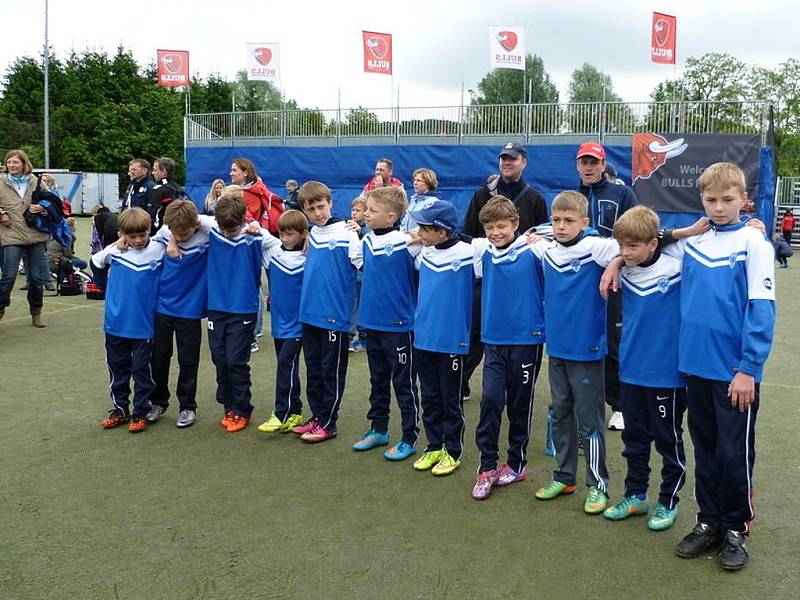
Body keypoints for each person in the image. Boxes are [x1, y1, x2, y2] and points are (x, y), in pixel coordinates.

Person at [672, 163, 775, 571]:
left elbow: (761, 310)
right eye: (711, 200)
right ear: (701, 200)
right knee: (707, 450)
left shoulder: (754, 244)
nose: (719, 207)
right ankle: (708, 521)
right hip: (694, 368)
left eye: (728, 200)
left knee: (734, 454)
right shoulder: (693, 243)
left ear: (743, 200)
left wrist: (749, 368)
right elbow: (641, 243)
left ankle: (736, 528)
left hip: (735, 374)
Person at [531, 191, 619, 514]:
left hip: (587, 349)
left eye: (569, 221)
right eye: (556, 220)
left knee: (589, 420)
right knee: (560, 413)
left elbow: (634, 244)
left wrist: (616, 264)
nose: (561, 226)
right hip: (556, 348)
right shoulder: (547, 250)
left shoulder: (598, 247)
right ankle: (564, 476)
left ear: (585, 222)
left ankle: (598, 485)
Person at [599, 206, 687, 531]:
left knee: (668, 439)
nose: (625, 252)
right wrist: (617, 260)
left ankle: (668, 501)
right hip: (630, 370)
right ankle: (635, 495)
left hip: (668, 375)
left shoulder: (679, 267)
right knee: (634, 439)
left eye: (632, 246)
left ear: (653, 243)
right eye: (621, 246)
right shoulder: (624, 267)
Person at [461, 143, 549, 403]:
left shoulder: (535, 198)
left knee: (520, 334)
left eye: (512, 159)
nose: (507, 163)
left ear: (524, 162)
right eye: (503, 159)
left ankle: (519, 387)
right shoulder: (482, 194)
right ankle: (462, 381)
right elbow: (470, 232)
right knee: (477, 329)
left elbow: (543, 234)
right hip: (486, 274)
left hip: (521, 280)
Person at [470, 197, 545, 500]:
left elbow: (578, 237)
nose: (496, 232)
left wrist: (544, 234)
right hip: (494, 340)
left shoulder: (535, 250)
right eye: (490, 226)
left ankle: (516, 463)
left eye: (502, 226)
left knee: (519, 404)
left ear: (515, 224)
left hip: (527, 339)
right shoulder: (481, 250)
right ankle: (486, 466)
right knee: (489, 400)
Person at [408, 199, 479, 477]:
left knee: (451, 399)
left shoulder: (468, 252)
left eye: (425, 228)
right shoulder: (422, 252)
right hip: (423, 338)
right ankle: (433, 445)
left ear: (443, 230)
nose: (419, 233)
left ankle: (452, 450)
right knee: (430, 397)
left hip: (452, 340)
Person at [351, 186, 422, 461]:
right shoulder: (365, 241)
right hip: (371, 324)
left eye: (372, 211)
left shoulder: (407, 242)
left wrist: (423, 239)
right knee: (377, 380)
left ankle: (409, 436)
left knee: (404, 384)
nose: (366, 214)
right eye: (366, 210)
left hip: (400, 327)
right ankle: (378, 428)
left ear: (392, 216)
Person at [292, 181, 362, 443]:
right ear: (305, 210)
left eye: (321, 206)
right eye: (312, 208)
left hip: (335, 316)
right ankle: (318, 416)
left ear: (331, 203)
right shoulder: (312, 233)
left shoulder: (347, 232)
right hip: (309, 314)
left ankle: (329, 422)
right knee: (314, 369)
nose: (318, 212)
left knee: (331, 370)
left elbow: (362, 263)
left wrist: (362, 228)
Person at [576, 141, 639, 432]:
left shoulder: (622, 193)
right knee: (584, 340)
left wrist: (617, 260)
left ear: (603, 165)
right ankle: (587, 402)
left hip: (615, 280)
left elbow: (637, 230)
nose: (588, 167)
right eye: (583, 162)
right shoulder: (572, 196)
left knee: (614, 343)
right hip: (579, 282)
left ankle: (621, 405)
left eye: (593, 162)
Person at [92, 208, 164, 433]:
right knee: (117, 367)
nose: (138, 240)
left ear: (149, 229)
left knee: (142, 369)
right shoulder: (114, 250)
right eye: (132, 236)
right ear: (122, 233)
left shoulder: (158, 248)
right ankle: (120, 409)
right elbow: (95, 264)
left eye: (142, 234)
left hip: (144, 325)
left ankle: (140, 410)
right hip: (115, 323)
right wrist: (107, 291)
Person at [146, 201, 210, 428]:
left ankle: (187, 406)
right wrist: (171, 238)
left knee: (188, 360)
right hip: (162, 308)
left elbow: (228, 224)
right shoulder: (165, 233)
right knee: (159, 357)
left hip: (190, 312)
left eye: (185, 233)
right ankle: (158, 402)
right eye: (176, 233)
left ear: (195, 224)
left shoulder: (206, 232)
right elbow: (144, 244)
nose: (180, 237)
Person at [206, 189, 265, 433]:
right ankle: (228, 407)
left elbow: (288, 240)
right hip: (215, 308)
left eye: (233, 229)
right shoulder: (210, 231)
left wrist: (255, 227)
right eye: (224, 229)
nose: (228, 234)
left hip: (243, 309)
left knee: (236, 361)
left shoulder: (255, 237)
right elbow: (177, 224)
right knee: (219, 359)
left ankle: (242, 409)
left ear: (243, 220)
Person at [255, 210, 309, 434]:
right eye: (282, 233)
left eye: (291, 234)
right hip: (278, 324)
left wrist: (311, 238)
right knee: (289, 367)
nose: (286, 239)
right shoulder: (273, 251)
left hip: (300, 324)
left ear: (303, 234)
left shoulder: (310, 255)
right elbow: (256, 231)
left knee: (286, 365)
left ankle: (281, 413)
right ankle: (295, 411)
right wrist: (253, 228)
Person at [0, 149, 51, 327]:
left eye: (15, 162)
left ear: (24, 163)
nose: (11, 165)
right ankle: (1, 307)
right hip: (11, 234)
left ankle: (36, 312)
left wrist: (42, 208)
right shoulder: (0, 181)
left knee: (36, 278)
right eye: (9, 162)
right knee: (9, 275)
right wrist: (2, 212)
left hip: (35, 234)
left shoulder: (35, 181)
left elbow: (51, 200)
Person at [349, 196, 371, 352]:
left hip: (363, 276)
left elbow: (364, 250)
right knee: (354, 306)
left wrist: (358, 233)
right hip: (353, 276)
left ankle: (361, 339)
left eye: (358, 210)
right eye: (353, 210)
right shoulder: (350, 227)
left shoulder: (367, 230)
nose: (354, 213)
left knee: (360, 308)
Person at [147, 157, 186, 233]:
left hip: (162, 232)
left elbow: (153, 215)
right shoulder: (179, 188)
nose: (152, 173)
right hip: (180, 230)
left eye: (155, 170)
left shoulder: (158, 189)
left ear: (164, 171)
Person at [89, 203, 119, 291]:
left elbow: (99, 231)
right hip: (118, 231)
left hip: (109, 232)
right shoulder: (113, 214)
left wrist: (103, 246)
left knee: (108, 252)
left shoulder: (98, 216)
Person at [400, 168, 440, 233]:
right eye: (414, 180)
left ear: (428, 183)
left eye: (419, 180)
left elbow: (427, 225)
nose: (415, 183)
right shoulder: (414, 199)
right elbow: (405, 221)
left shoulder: (433, 201)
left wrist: (413, 235)